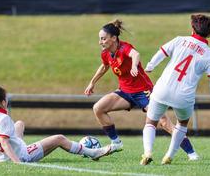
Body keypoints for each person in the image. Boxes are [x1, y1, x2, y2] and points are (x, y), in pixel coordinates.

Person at [84, 19, 198, 159]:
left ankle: (191, 153)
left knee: (163, 122)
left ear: (113, 38)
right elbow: (104, 66)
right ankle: (116, 143)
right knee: (98, 108)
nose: (100, 42)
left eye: (103, 39)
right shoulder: (106, 53)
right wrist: (92, 83)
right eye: (100, 39)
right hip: (125, 92)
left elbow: (135, 54)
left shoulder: (124, 48)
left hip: (144, 92)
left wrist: (133, 66)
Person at [141, 14, 210, 165]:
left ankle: (148, 152)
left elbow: (161, 53)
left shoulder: (179, 40)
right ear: (209, 33)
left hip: (163, 88)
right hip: (184, 96)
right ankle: (169, 156)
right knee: (182, 124)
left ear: (192, 28)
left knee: (151, 122)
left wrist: (150, 66)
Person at [0, 85, 110, 163]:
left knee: (19, 124)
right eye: (6, 99)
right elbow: (4, 142)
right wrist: (17, 163)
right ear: (2, 102)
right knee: (59, 138)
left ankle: (22, 147)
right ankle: (93, 153)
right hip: (20, 156)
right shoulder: (3, 119)